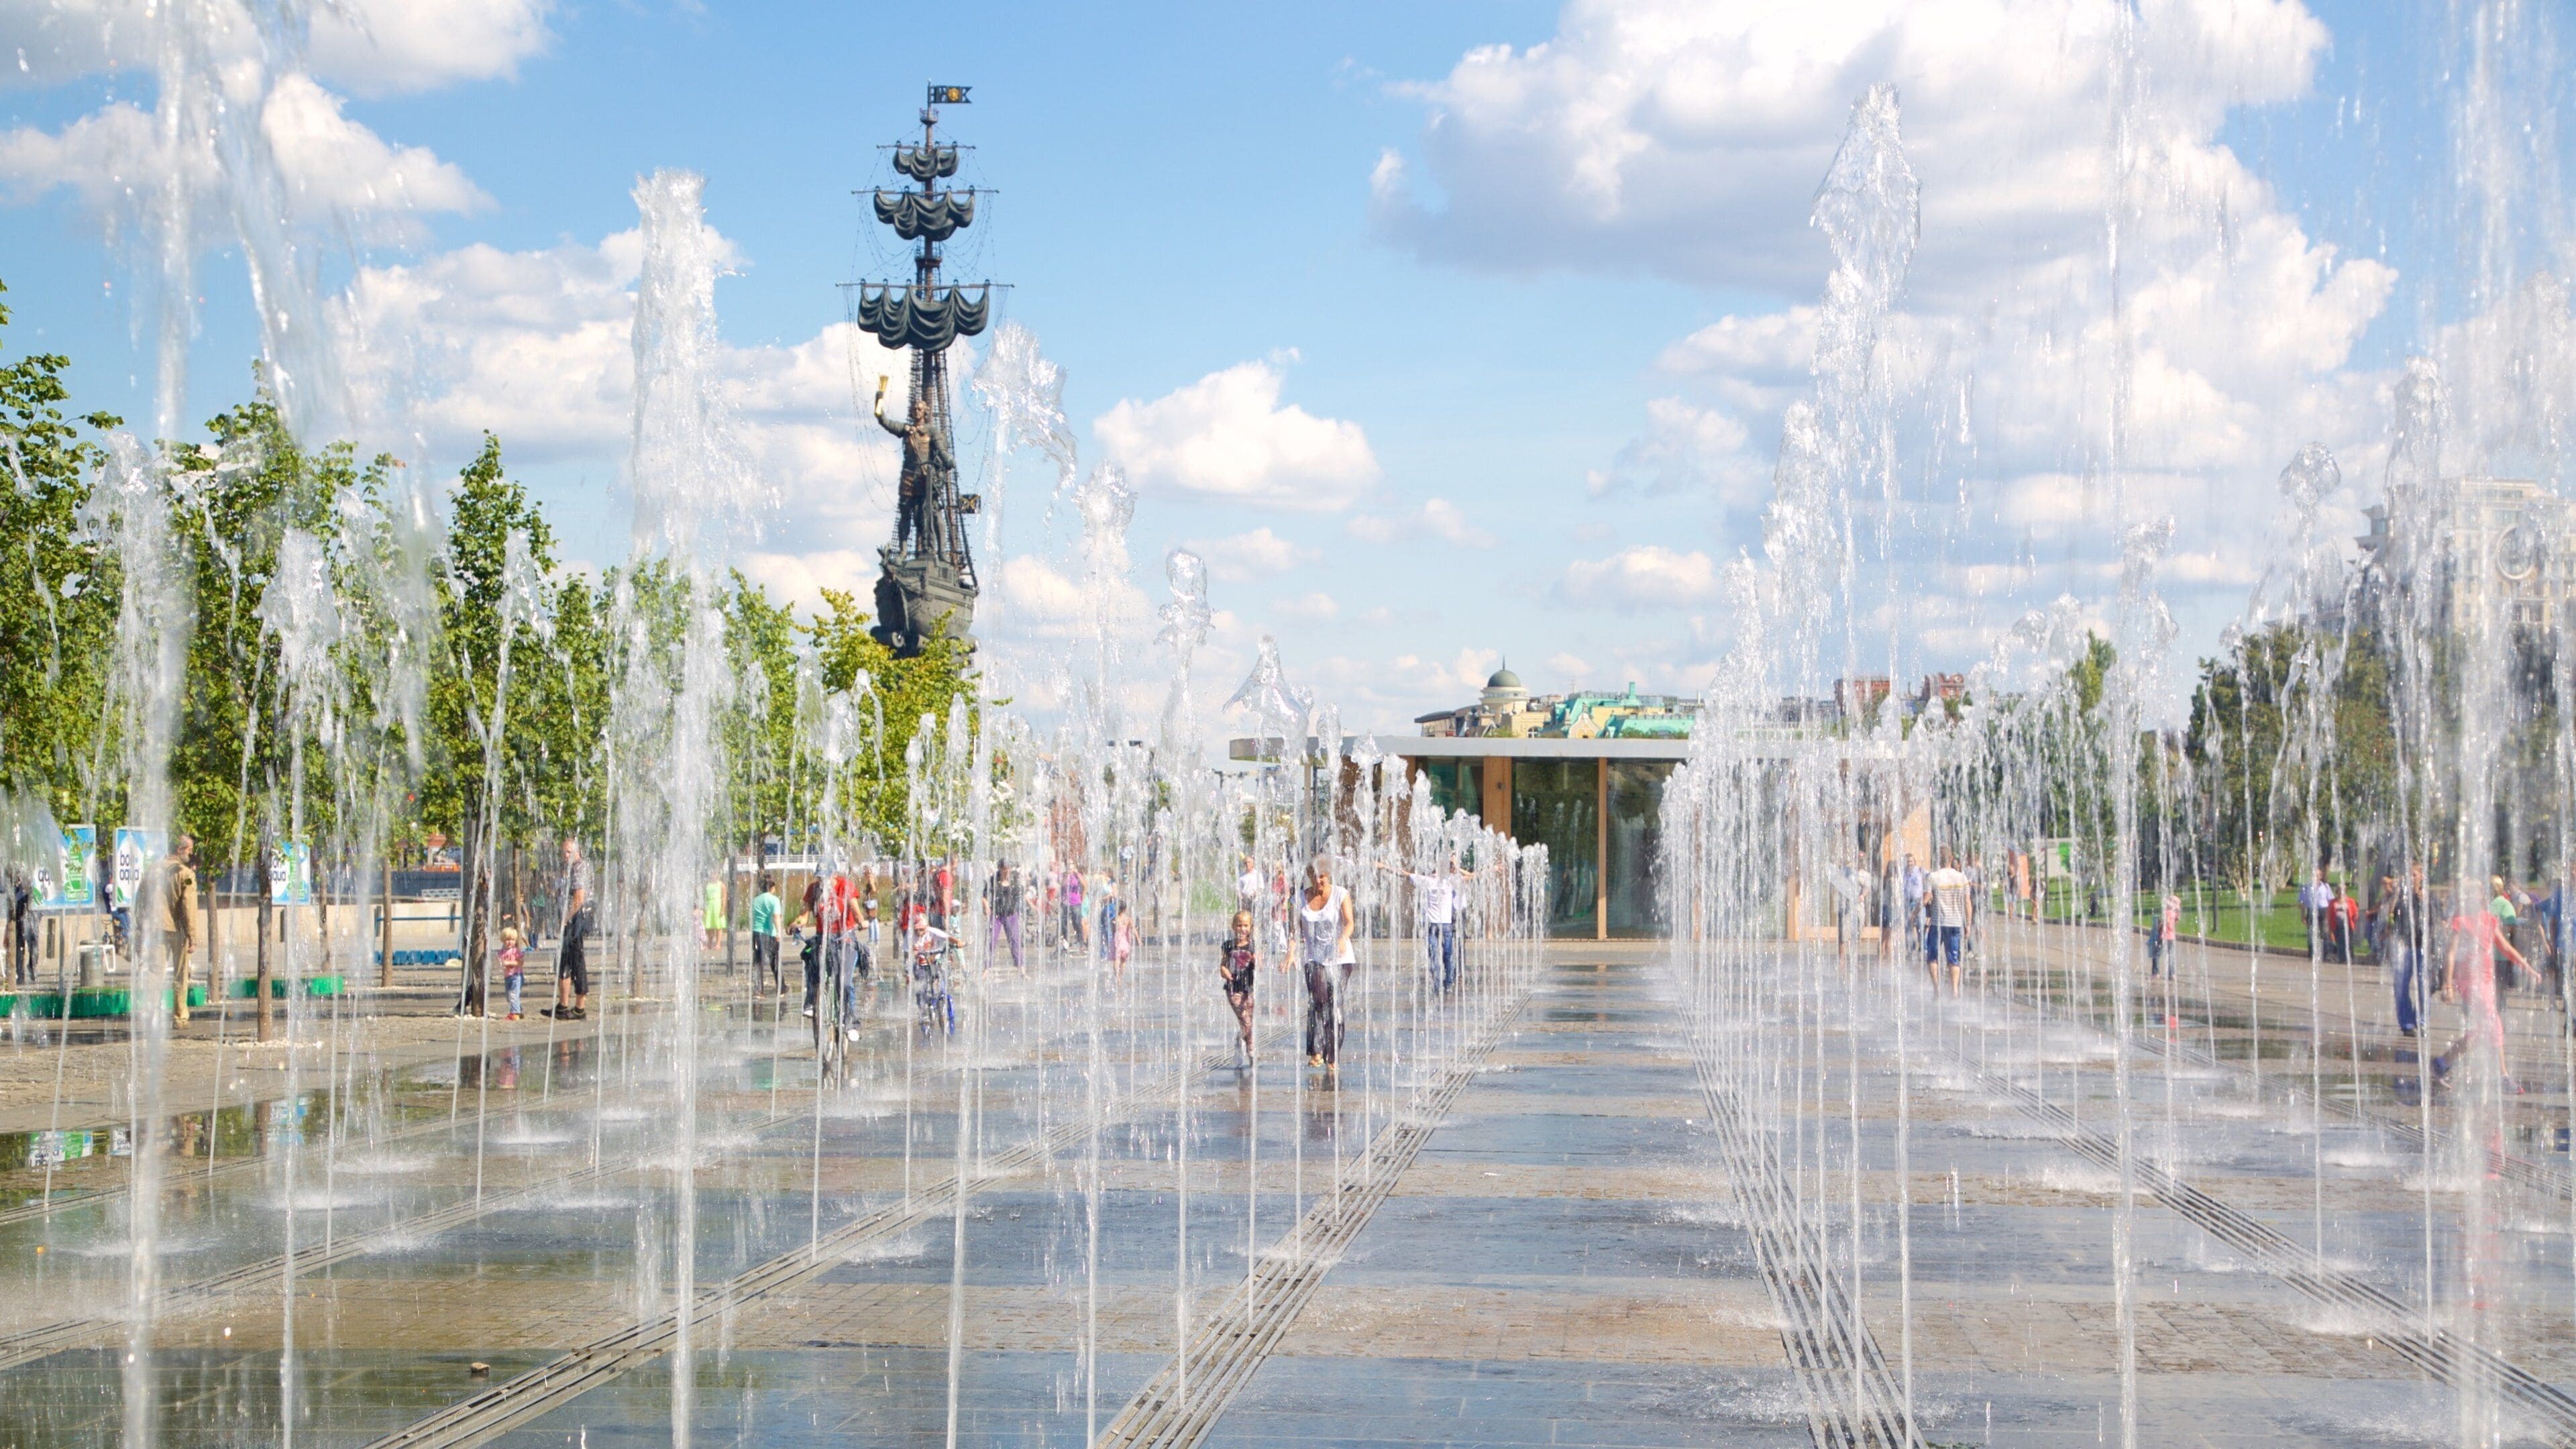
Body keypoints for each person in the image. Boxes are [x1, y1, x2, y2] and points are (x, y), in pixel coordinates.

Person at [2432, 895, 2530, 1092]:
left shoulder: (2489, 919)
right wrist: (2447, 984)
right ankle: (2503, 1077)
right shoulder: (2460, 922)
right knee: (2494, 1024)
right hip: (2470, 980)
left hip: (2486, 980)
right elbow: (2451, 954)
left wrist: (2526, 966)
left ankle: (2442, 1063)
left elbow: (2505, 947)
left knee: (2484, 1031)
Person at [1295, 855, 1356, 1073]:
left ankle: (1333, 1055)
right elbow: (1294, 928)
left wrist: (1343, 939)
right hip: (1314, 958)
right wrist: (1290, 953)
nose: (1318, 881)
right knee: (1317, 1001)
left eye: (1322, 876)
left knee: (1334, 1005)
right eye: (1314, 876)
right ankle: (1316, 1051)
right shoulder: (1300, 898)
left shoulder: (1340, 894)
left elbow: (1349, 922)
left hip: (1341, 959)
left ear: (1327, 875)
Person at [1379, 854, 1472, 994]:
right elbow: (1404, 874)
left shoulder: (1450, 881)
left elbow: (1471, 877)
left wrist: (1385, 867)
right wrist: (1384, 867)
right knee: (1437, 955)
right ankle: (1440, 984)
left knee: (1444, 955)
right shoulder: (1428, 880)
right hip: (1433, 926)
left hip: (1443, 925)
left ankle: (1446, 983)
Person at [138, 835, 201, 1023]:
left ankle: (150, 1013)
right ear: (180, 850)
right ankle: (180, 1017)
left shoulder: (152, 870)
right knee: (181, 974)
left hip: (157, 928)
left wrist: (140, 925)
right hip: (179, 930)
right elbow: (189, 904)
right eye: (189, 850)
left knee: (155, 971)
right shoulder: (186, 874)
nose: (191, 854)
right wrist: (192, 934)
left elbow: (140, 900)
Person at [547, 836, 592, 1021]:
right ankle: (563, 1006)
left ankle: (580, 1008)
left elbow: (579, 899)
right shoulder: (572, 868)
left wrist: (565, 919)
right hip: (573, 919)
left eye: (569, 852)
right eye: (563, 852)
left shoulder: (578, 868)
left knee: (576, 961)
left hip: (576, 919)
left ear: (577, 851)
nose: (565, 856)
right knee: (564, 960)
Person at [2389, 865, 2431, 1035]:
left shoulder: (2428, 897)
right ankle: (2407, 1023)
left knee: (2423, 986)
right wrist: (2397, 894)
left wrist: (2424, 903)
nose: (2411, 878)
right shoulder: (2401, 897)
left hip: (2422, 947)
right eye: (2409, 875)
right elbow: (2390, 917)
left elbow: (2436, 919)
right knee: (2400, 986)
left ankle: (2422, 1022)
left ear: (2422, 877)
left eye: (2414, 875)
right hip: (2403, 947)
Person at [1923, 852, 1970, 995]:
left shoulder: (1933, 876)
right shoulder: (1962, 877)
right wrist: (1968, 924)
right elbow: (1968, 903)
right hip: (1955, 922)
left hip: (1937, 923)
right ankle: (1955, 991)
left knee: (1932, 957)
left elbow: (1926, 899)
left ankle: (1937, 989)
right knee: (1953, 957)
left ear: (1938, 859)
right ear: (1951, 859)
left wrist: (1915, 914)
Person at [1218, 909, 1258, 1067]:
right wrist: (1225, 971)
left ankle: (1239, 1039)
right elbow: (1222, 966)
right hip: (1233, 989)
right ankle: (1251, 1052)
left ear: (1251, 928)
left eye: (1246, 926)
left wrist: (1256, 960)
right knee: (1246, 1020)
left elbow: (1259, 965)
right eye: (1239, 925)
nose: (1242, 929)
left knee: (1247, 1021)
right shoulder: (1228, 946)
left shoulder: (1252, 946)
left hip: (1248, 989)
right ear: (1233, 927)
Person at [749, 873, 784, 994]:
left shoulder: (755, 900)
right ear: (771, 888)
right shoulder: (774, 900)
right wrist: (779, 932)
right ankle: (781, 987)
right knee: (775, 961)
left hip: (757, 933)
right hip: (771, 934)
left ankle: (759, 990)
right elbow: (776, 916)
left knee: (758, 962)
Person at [2147, 891, 2180, 978]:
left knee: (2156, 954)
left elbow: (2164, 923)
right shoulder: (2174, 913)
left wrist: (2158, 926)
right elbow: (2176, 921)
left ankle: (2155, 973)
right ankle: (2172, 974)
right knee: (2170, 955)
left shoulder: (2167, 912)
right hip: (2171, 937)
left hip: (2162, 936)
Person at [498, 925, 527, 1020]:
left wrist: (509, 963)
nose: (510, 942)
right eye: (508, 940)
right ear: (503, 940)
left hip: (517, 976)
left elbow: (521, 963)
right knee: (509, 996)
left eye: (513, 940)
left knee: (513, 994)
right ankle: (518, 1010)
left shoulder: (515, 951)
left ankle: (515, 1013)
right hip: (508, 977)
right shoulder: (502, 952)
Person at [702, 875, 725, 955]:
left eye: (715, 874)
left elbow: (724, 897)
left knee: (718, 926)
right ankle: (709, 943)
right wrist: (704, 909)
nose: (714, 876)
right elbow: (705, 897)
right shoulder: (708, 885)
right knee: (710, 926)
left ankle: (718, 943)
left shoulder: (721, 885)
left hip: (717, 905)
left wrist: (723, 909)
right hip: (709, 905)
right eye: (712, 874)